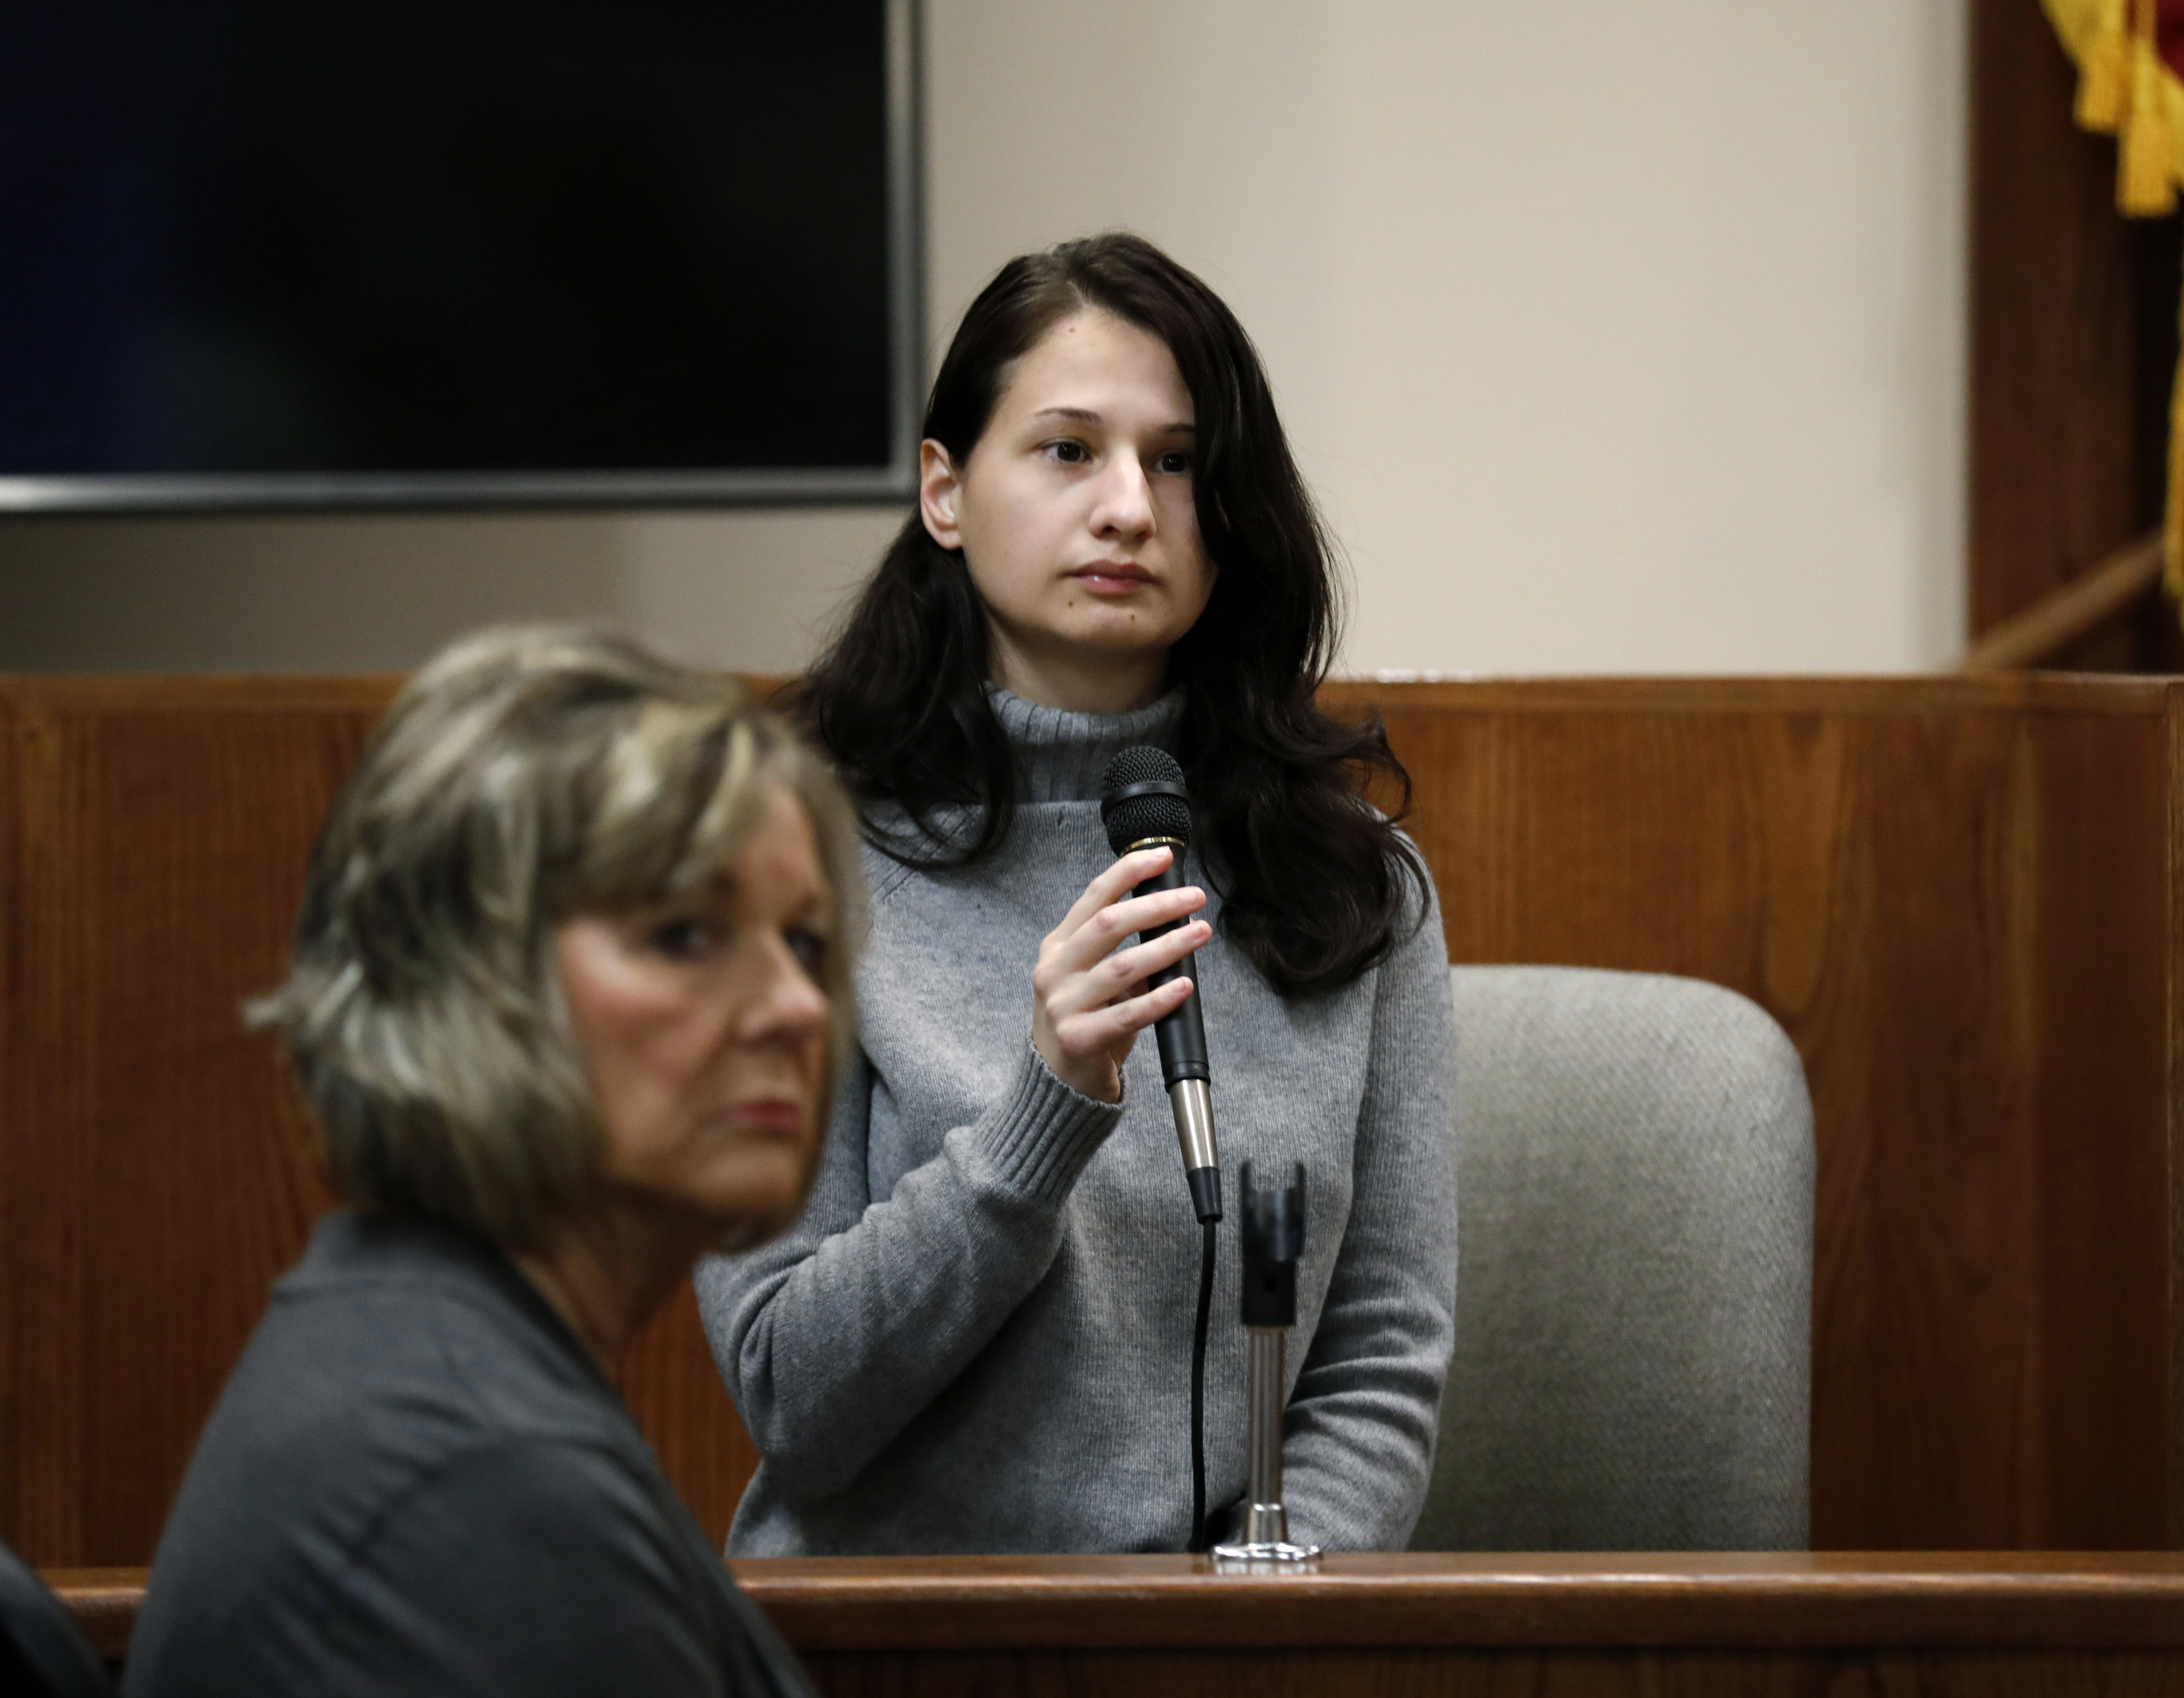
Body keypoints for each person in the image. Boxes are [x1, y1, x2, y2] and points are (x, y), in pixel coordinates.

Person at [695, 233, 1456, 1556]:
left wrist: (1241, 1640)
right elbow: (790, 1392)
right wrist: (1042, 1110)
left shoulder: (1354, 888)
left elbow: (1379, 1364)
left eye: (1175, 462)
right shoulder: (787, 865)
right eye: (1067, 450)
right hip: (886, 1643)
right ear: (945, 491)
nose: (1127, 508)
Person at [126, 627, 861, 1698]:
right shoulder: (471, 1481)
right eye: (686, 933)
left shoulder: (418, 1348)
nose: (798, 1006)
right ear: (461, 975)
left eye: (804, 941)